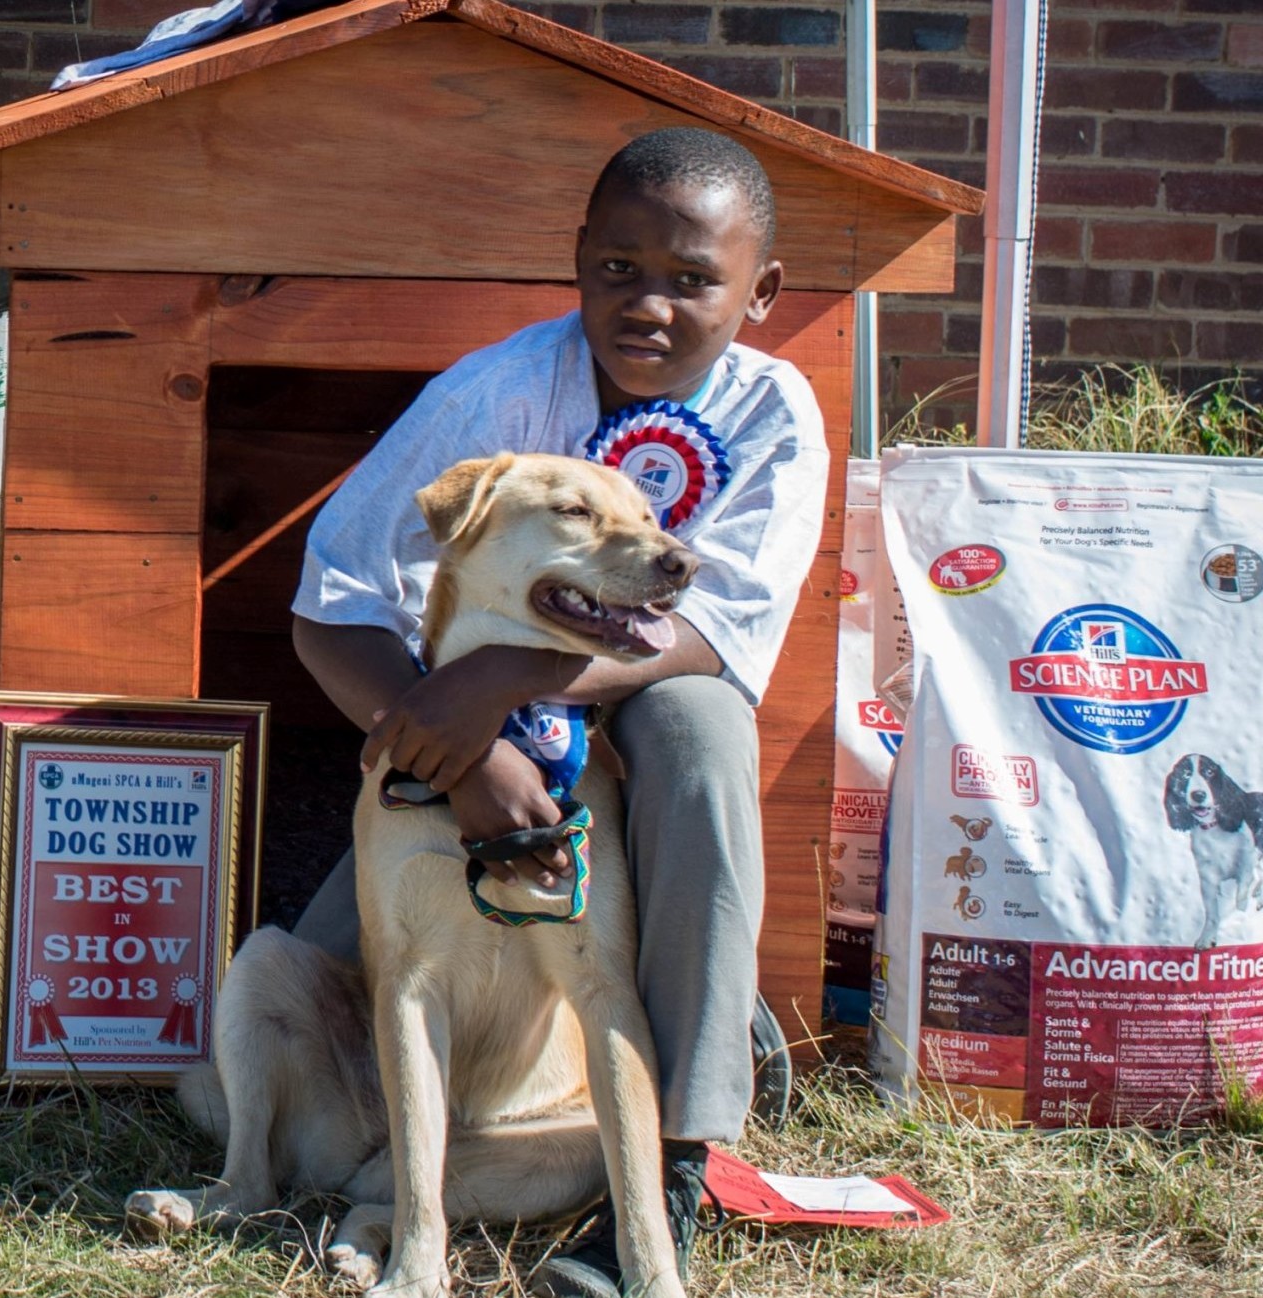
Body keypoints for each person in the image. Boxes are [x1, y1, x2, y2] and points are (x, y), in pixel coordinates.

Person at [290, 126, 828, 1297]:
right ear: (577, 258)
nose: (648, 305)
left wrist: (505, 684)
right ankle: (395, 1169)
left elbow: (720, 628)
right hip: (457, 715)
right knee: (339, 1003)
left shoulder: (773, 409)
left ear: (760, 292)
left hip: (640, 679)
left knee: (702, 740)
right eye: (618, 269)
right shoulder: (493, 393)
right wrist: (449, 746)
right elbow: (330, 595)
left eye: (693, 280)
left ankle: (680, 1155)